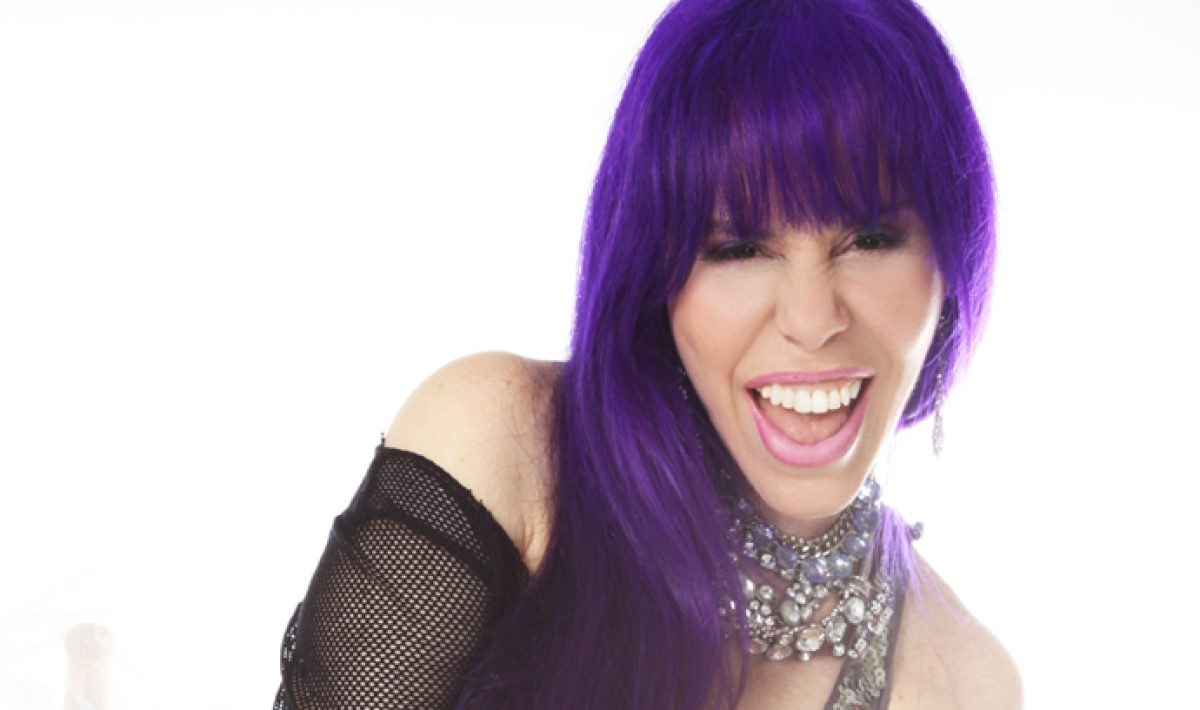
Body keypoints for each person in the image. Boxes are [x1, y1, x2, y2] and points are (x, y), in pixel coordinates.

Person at [273, 0, 1021, 707]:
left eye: (871, 239)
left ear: (949, 256)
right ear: (653, 271)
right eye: (738, 247)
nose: (811, 320)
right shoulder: (506, 448)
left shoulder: (965, 682)